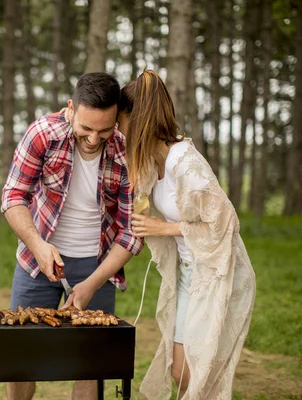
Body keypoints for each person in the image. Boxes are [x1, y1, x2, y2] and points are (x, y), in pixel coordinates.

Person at [1, 72, 144, 400]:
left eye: (104, 130)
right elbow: (13, 196)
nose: (94, 139)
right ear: (70, 108)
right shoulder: (43, 133)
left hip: (98, 267)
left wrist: (93, 282)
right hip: (37, 263)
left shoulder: (125, 150)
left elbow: (131, 232)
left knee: (91, 364)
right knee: (20, 357)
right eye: (86, 128)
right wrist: (37, 245)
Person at [117, 70, 256, 399]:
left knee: (197, 374)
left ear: (138, 122)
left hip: (216, 275)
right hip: (188, 274)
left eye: (122, 123)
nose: (120, 133)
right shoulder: (157, 162)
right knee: (180, 372)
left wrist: (163, 227)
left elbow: (225, 222)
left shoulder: (185, 163)